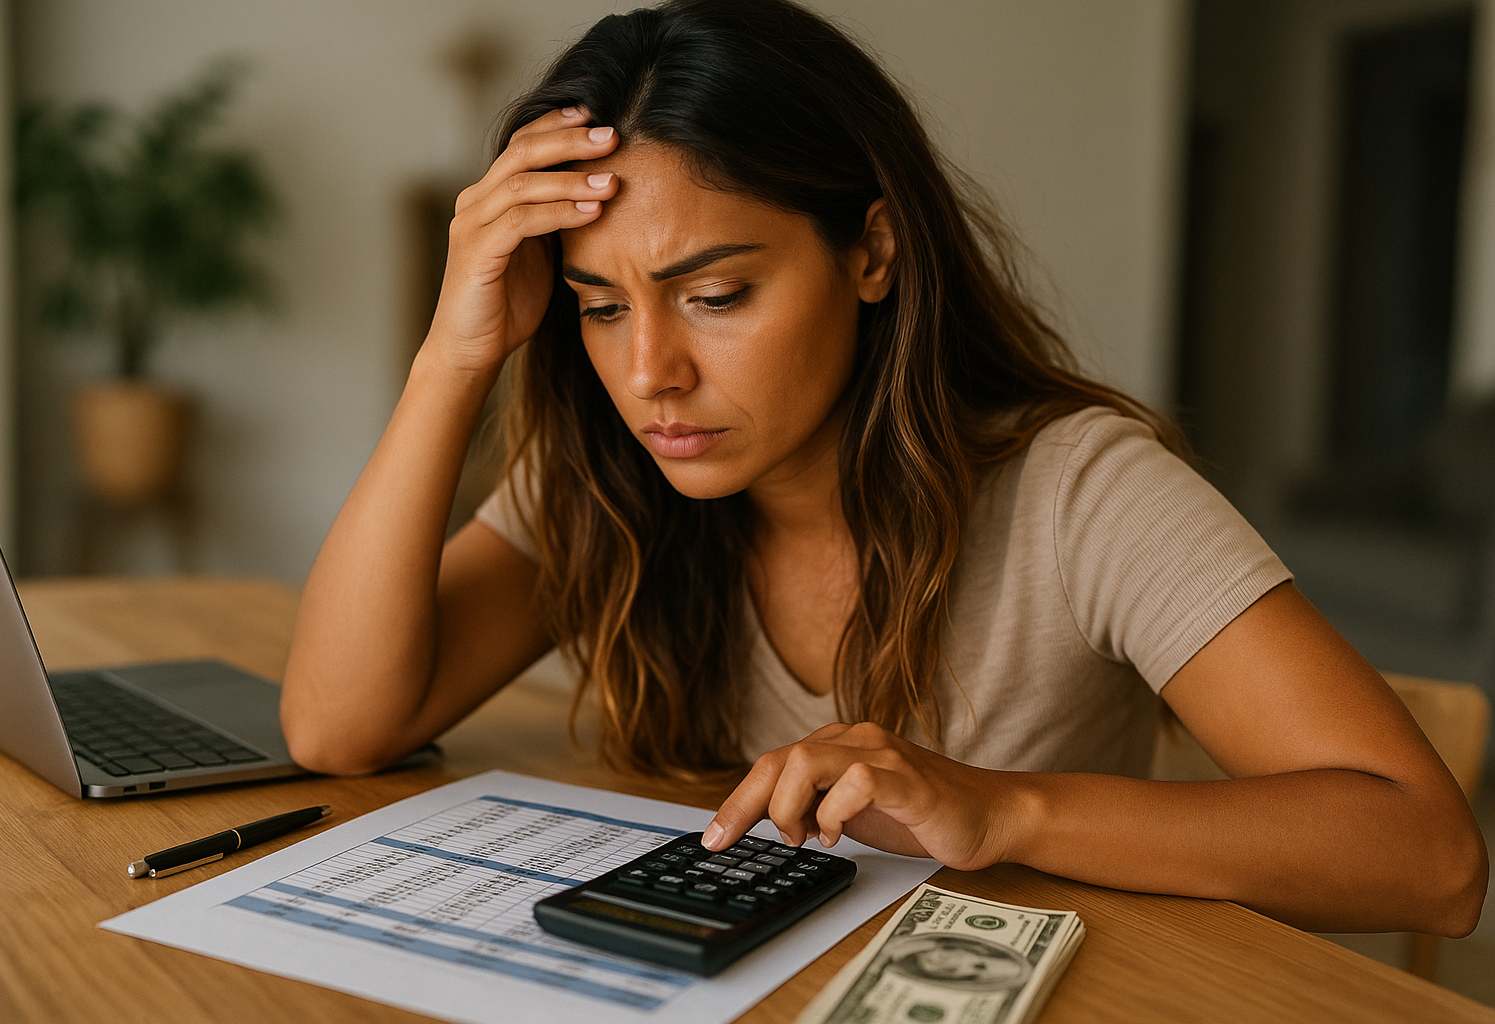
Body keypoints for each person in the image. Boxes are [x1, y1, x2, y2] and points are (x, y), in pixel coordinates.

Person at [280, 0, 1487, 937]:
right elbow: (339, 726)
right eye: (598, 305)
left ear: (872, 250)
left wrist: (1004, 806)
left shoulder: (1082, 491)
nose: (651, 370)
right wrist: (454, 351)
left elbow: (1431, 858)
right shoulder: (615, 473)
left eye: (715, 294)